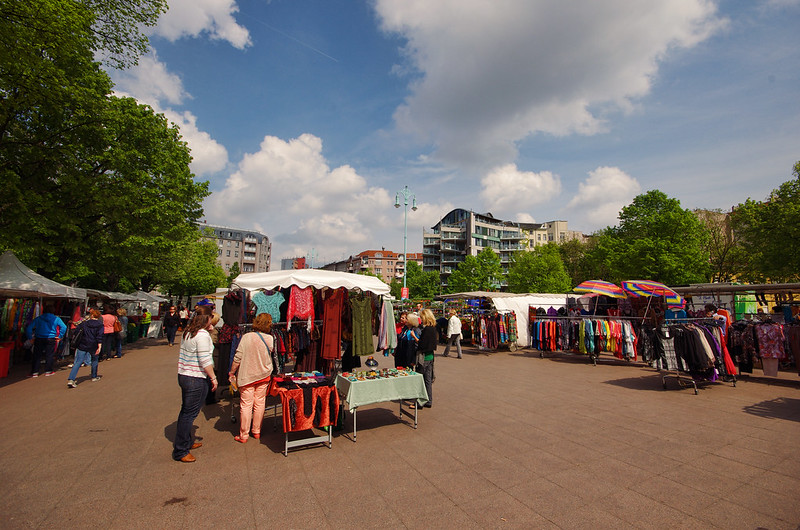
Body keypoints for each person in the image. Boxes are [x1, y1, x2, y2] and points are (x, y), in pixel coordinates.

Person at [173, 313, 217, 463]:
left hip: (184, 374)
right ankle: (180, 450)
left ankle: (186, 442)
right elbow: (205, 360)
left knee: (186, 411)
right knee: (189, 413)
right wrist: (213, 377)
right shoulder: (202, 336)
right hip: (195, 377)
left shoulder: (188, 332)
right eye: (210, 320)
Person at [228, 313, 274, 443]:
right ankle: (257, 430)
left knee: (246, 405)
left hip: (247, 375)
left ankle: (244, 434)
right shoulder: (270, 339)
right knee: (260, 403)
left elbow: (238, 357)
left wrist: (232, 372)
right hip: (264, 374)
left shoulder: (246, 337)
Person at [26, 304, 68, 377]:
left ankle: (34, 372)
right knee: (49, 355)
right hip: (51, 338)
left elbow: (29, 328)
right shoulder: (56, 318)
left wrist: (30, 338)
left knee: (37, 355)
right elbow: (64, 327)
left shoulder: (38, 318)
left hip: (39, 338)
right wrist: (59, 336)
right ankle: (48, 371)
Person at [67, 308, 104, 387]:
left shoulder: (84, 323)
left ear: (91, 315)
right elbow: (99, 336)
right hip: (93, 344)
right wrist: (99, 346)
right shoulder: (100, 325)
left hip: (83, 344)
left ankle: (71, 379)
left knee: (78, 362)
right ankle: (94, 376)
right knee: (94, 359)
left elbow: (77, 331)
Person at [416, 309, 438, 408]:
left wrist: (415, 338)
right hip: (430, 356)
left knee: (421, 379)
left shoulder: (427, 329)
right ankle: (428, 400)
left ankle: (421, 402)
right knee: (428, 380)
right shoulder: (433, 328)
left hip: (424, 357)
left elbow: (422, 344)